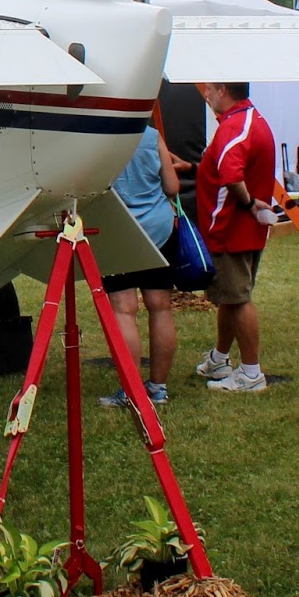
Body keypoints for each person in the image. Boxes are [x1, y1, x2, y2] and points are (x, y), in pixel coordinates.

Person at [193, 82, 280, 394]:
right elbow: (222, 169)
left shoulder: (235, 126)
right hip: (242, 228)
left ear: (222, 90)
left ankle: (251, 373)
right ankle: (219, 358)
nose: (205, 95)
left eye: (209, 90)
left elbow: (231, 176)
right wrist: (195, 167)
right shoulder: (249, 119)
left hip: (230, 227)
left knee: (239, 298)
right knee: (230, 298)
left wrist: (246, 203)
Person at [97, 121, 180, 409]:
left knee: (124, 309)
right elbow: (172, 186)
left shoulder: (102, 134)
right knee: (160, 307)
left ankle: (131, 392)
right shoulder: (153, 136)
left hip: (119, 228)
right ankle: (158, 388)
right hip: (160, 226)